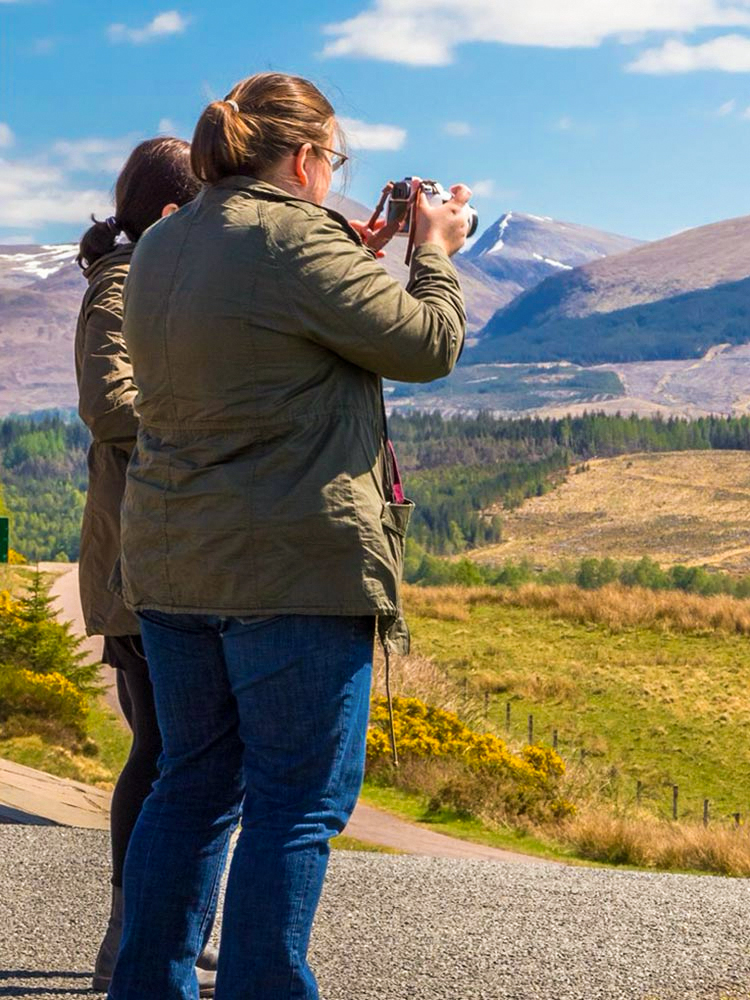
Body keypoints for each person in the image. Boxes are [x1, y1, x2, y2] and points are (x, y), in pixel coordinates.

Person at [108, 72, 472, 1000]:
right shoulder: (296, 239)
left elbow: (252, 317)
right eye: (334, 161)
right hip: (292, 571)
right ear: (307, 159)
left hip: (173, 563)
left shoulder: (159, 245)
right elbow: (426, 346)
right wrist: (433, 251)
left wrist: (356, 250)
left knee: (189, 787)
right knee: (295, 808)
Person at [72, 137, 220, 996]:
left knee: (179, 749)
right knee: (163, 749)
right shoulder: (121, 285)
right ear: (172, 214)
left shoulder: (151, 275)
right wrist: (217, 412)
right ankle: (133, 937)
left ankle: (171, 926)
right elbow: (108, 405)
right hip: (137, 559)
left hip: (168, 548)